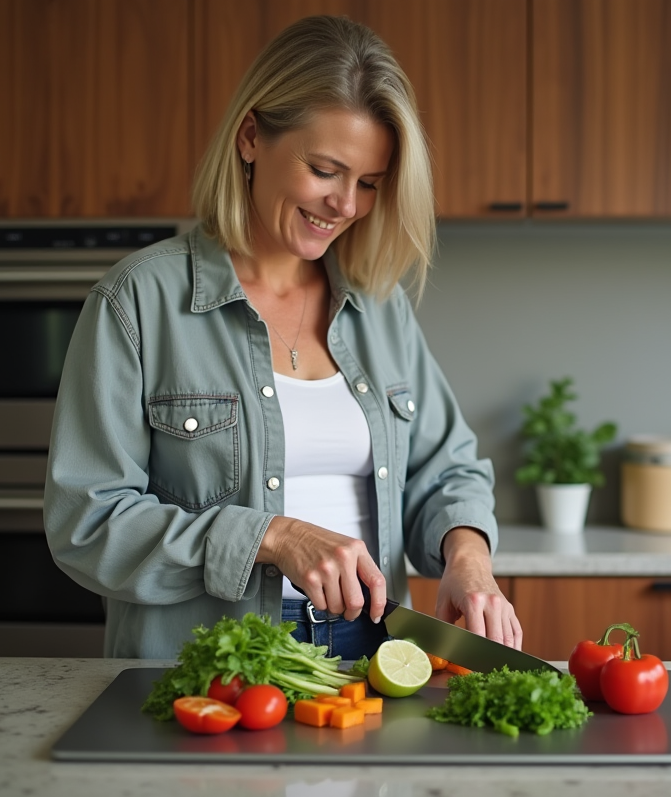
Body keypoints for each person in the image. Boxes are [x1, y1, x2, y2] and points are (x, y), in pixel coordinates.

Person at [43, 15, 520, 660]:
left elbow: (447, 469)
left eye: (370, 184)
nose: (346, 205)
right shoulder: (138, 302)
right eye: (325, 170)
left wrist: (468, 558)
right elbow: (87, 524)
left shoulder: (379, 309)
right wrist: (271, 536)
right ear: (250, 138)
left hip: (370, 661)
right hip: (207, 670)